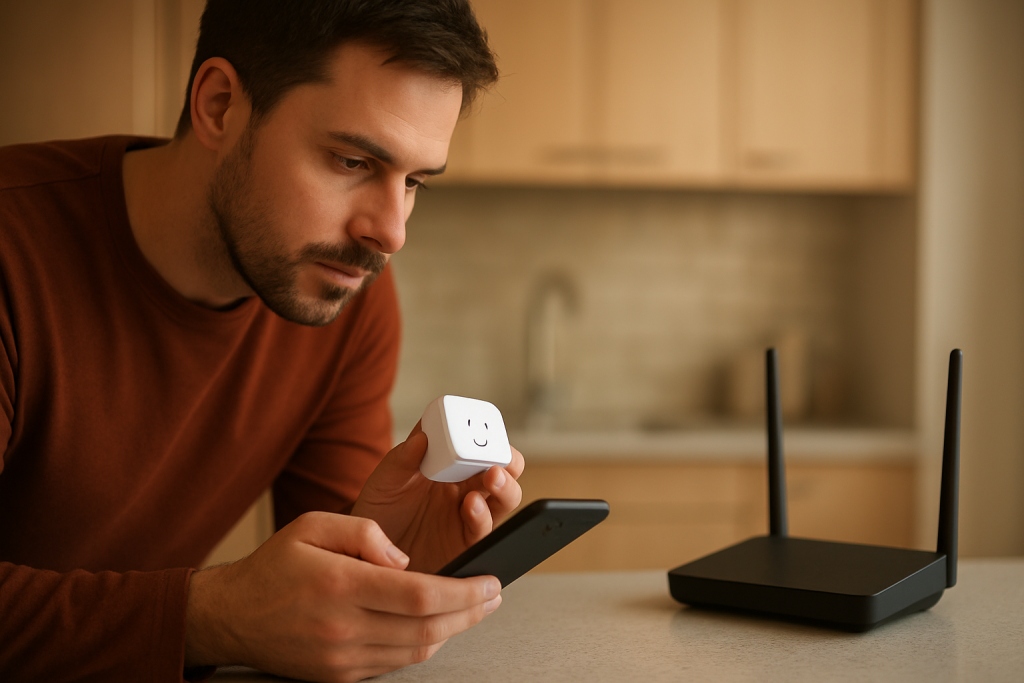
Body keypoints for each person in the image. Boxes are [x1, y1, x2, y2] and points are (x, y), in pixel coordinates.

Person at [0, 1, 524, 681]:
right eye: (352, 160)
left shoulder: (344, 296)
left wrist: (389, 557)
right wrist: (209, 616)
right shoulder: (14, 252)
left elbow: (307, 600)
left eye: (415, 182)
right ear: (220, 106)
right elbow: (237, 614)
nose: (391, 232)